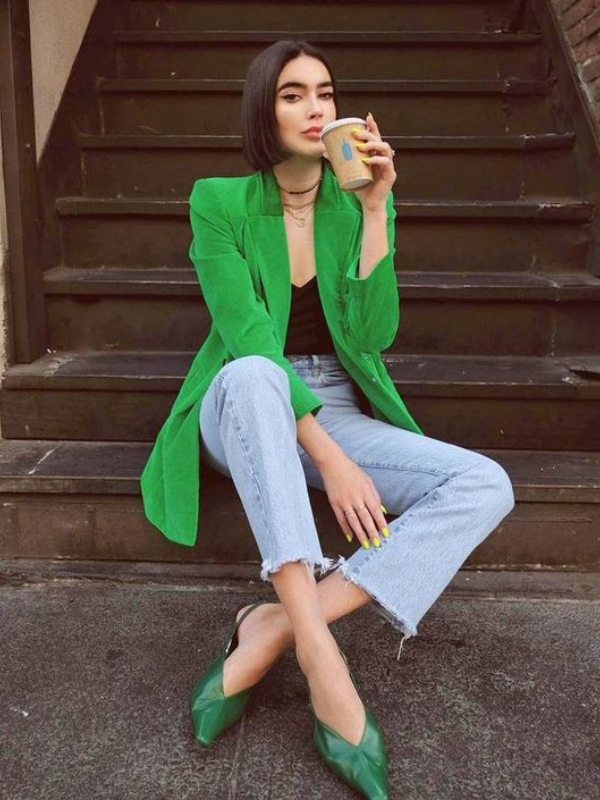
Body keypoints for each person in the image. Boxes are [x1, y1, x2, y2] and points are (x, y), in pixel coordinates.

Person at [140, 40, 514, 799]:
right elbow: (248, 337)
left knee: (486, 484)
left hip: (337, 399)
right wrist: (329, 456)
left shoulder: (358, 200)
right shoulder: (218, 200)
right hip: (240, 404)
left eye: (325, 92)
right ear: (264, 110)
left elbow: (374, 334)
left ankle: (275, 625)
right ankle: (321, 657)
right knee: (255, 373)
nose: (316, 108)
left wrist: (375, 210)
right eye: (293, 94)